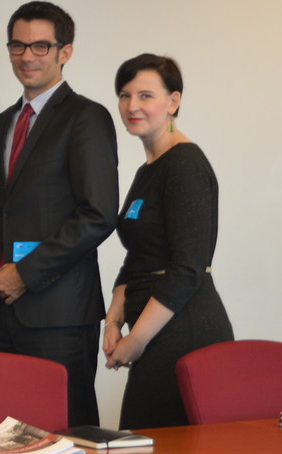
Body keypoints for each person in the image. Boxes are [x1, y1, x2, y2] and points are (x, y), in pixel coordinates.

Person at [0, 1, 118, 427]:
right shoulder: (4, 122)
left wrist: (26, 273)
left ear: (66, 52)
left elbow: (98, 214)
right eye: (18, 45)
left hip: (61, 314)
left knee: (67, 434)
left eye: (41, 46)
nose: (27, 56)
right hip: (4, 311)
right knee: (10, 435)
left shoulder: (86, 117)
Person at [103, 54, 233, 428]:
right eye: (125, 95)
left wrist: (136, 340)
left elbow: (187, 268)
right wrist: (113, 317)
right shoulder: (150, 168)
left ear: (173, 101)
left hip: (184, 331)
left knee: (157, 442)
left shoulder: (184, 165)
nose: (132, 106)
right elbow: (139, 253)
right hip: (155, 330)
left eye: (145, 95)